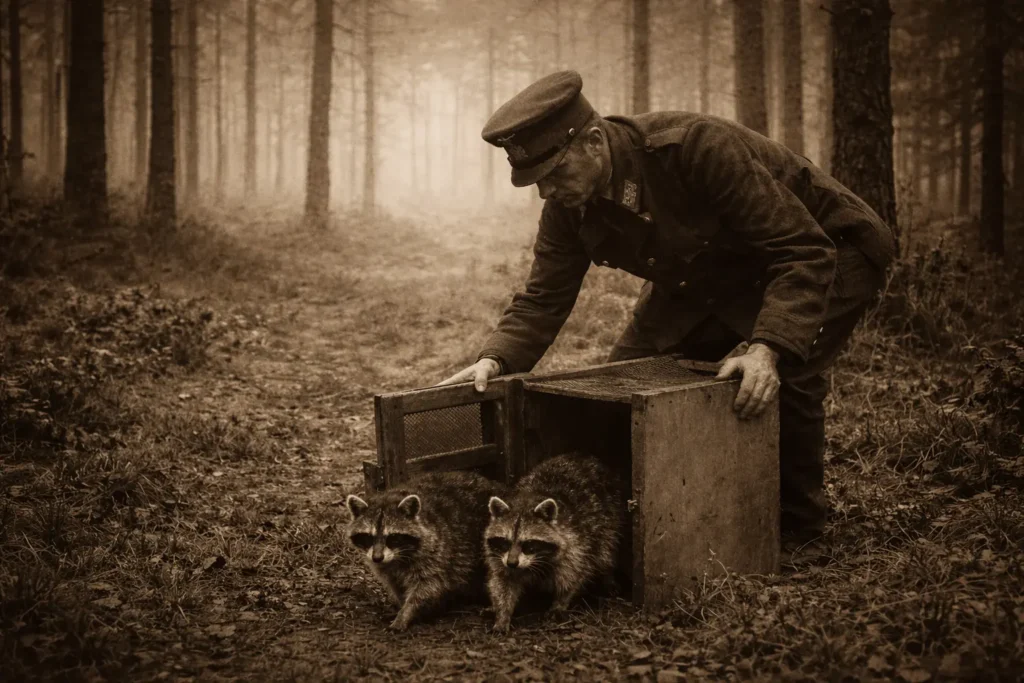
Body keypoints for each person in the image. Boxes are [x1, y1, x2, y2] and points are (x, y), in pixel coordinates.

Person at [438, 71, 895, 548]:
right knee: (621, 385)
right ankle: (629, 522)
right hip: (712, 271)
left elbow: (802, 249)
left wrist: (767, 347)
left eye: (554, 173)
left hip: (831, 248)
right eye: (537, 181)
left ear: (593, 142)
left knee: (782, 374)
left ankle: (799, 531)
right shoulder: (568, 206)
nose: (546, 192)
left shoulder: (695, 149)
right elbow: (543, 297)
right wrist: (496, 359)